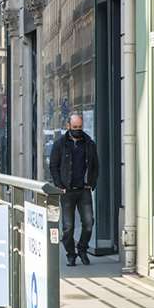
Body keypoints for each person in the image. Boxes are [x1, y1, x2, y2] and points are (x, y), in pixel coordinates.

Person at [49, 113, 99, 266]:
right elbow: (53, 166)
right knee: (67, 228)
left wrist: (92, 183)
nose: (77, 129)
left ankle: (82, 249)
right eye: (74, 127)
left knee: (89, 223)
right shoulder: (60, 144)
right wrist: (59, 185)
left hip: (84, 190)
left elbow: (95, 166)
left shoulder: (89, 143)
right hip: (67, 191)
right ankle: (71, 254)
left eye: (79, 127)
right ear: (68, 126)